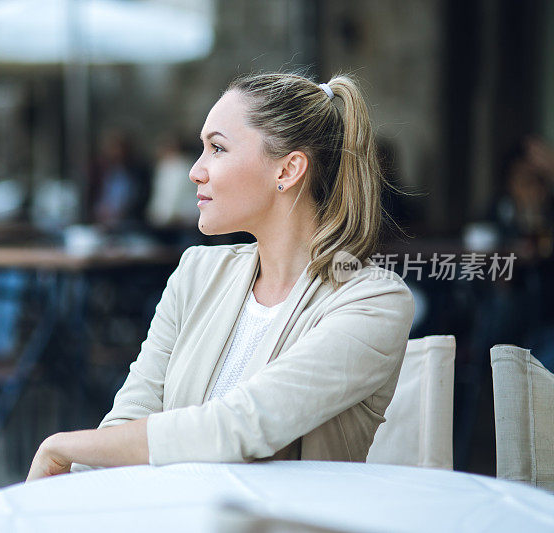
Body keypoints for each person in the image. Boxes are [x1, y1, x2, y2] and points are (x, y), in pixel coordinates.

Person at [26, 72, 415, 481]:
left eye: (217, 148)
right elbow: (132, 413)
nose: (196, 171)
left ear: (287, 170)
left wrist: (62, 446)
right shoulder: (197, 272)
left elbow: (241, 426)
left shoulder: (373, 302)